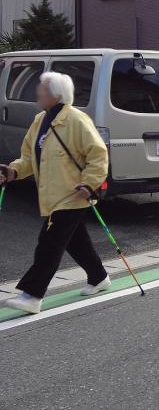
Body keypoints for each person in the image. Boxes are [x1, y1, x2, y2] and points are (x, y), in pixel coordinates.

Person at [0, 72, 110, 314]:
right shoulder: (40, 120)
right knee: (75, 241)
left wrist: (89, 183)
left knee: (49, 245)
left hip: (71, 195)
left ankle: (32, 295)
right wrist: (13, 171)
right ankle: (99, 276)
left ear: (55, 94)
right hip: (51, 196)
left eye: (42, 87)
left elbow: (98, 154)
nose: (38, 91)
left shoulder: (76, 120)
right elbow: (29, 157)